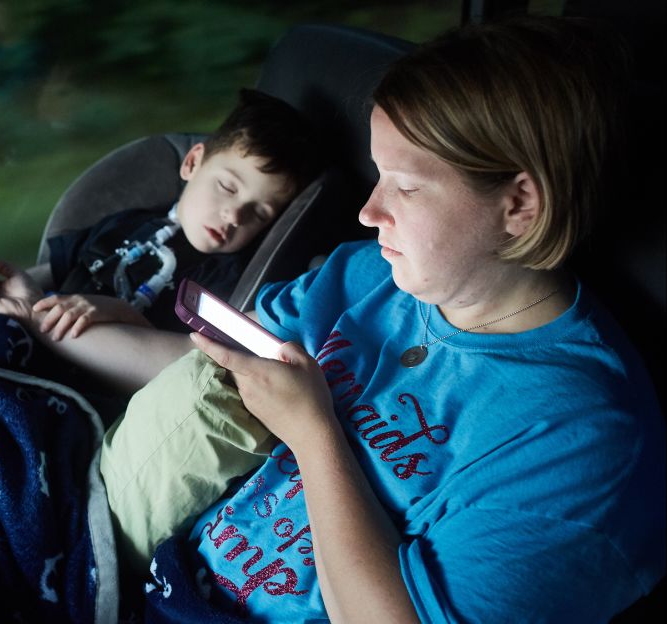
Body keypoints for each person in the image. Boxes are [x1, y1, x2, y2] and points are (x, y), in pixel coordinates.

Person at [133, 16, 664, 623]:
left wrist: (313, 435)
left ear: (519, 204)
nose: (367, 211)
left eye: (405, 188)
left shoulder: (581, 441)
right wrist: (61, 326)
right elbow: (206, 365)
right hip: (174, 580)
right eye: (377, 174)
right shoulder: (370, 275)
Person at [0, 87, 320, 551]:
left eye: (258, 214)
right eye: (228, 188)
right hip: (32, 336)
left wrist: (102, 312)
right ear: (193, 163)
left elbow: (174, 358)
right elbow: (57, 275)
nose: (232, 217)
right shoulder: (127, 224)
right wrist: (6, 289)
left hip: (79, 384)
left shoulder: (219, 279)